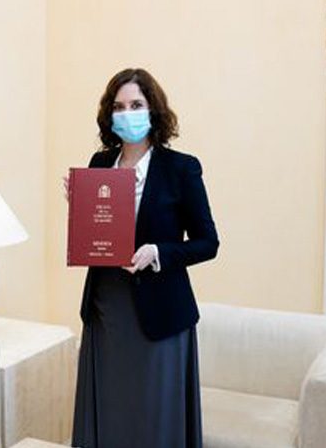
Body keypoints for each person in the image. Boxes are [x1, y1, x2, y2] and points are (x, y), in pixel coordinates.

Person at [68, 68, 219, 448]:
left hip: (159, 314)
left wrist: (158, 252)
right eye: (119, 107)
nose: (127, 113)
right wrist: (80, 207)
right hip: (106, 309)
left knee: (153, 419)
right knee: (111, 414)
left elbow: (208, 243)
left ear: (153, 110)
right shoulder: (99, 163)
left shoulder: (180, 168)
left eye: (136, 105)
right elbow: (97, 234)